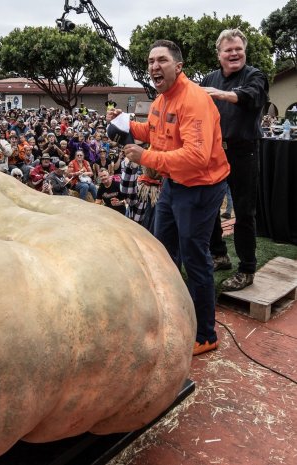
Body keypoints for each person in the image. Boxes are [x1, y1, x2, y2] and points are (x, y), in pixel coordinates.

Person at [109, 40, 230, 356]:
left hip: (200, 188)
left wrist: (145, 158)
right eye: (150, 61)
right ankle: (172, 314)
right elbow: (152, 131)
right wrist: (123, 123)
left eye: (161, 60)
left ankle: (205, 334)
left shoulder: (195, 100)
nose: (153, 66)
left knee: (194, 257)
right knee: (163, 252)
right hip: (174, 185)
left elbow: (197, 156)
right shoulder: (161, 100)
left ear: (178, 66)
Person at [201, 29, 269, 291]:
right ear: (219, 55)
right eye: (228, 50)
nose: (234, 53)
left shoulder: (254, 75)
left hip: (245, 152)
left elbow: (252, 97)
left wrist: (219, 94)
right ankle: (219, 255)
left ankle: (247, 268)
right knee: (209, 206)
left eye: (238, 48)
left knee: (244, 212)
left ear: (244, 51)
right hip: (217, 152)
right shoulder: (210, 78)